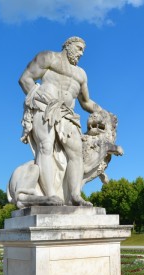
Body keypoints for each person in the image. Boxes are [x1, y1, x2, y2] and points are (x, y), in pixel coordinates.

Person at [18, 36, 101, 206]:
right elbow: (25, 79)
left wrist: (101, 111)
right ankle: (50, 195)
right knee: (46, 146)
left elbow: (86, 102)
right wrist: (39, 94)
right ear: (68, 46)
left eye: (83, 50)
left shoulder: (81, 74)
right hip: (45, 108)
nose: (81, 53)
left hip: (68, 114)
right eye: (79, 48)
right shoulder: (48, 57)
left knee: (76, 153)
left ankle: (75, 196)